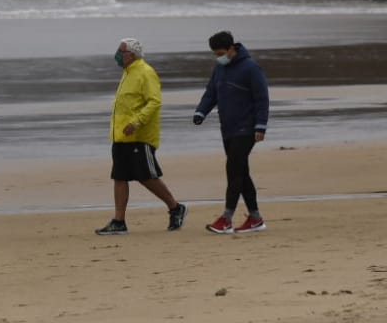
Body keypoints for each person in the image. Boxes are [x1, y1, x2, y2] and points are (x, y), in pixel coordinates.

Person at [95, 37, 186, 235]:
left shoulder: (145, 72)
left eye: (121, 51)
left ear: (131, 54)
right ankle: (119, 221)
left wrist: (136, 122)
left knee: (146, 177)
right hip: (121, 136)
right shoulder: (127, 73)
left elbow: (154, 102)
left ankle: (175, 207)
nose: (117, 55)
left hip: (140, 136)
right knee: (119, 177)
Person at [193, 30, 269, 235]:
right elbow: (211, 92)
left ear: (231, 49)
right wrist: (201, 111)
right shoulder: (220, 68)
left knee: (233, 171)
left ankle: (226, 219)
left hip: (246, 129)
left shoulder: (251, 68)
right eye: (215, 54)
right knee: (242, 173)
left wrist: (261, 126)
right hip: (227, 128)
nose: (218, 57)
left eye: (220, 53)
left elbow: (262, 98)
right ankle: (255, 218)